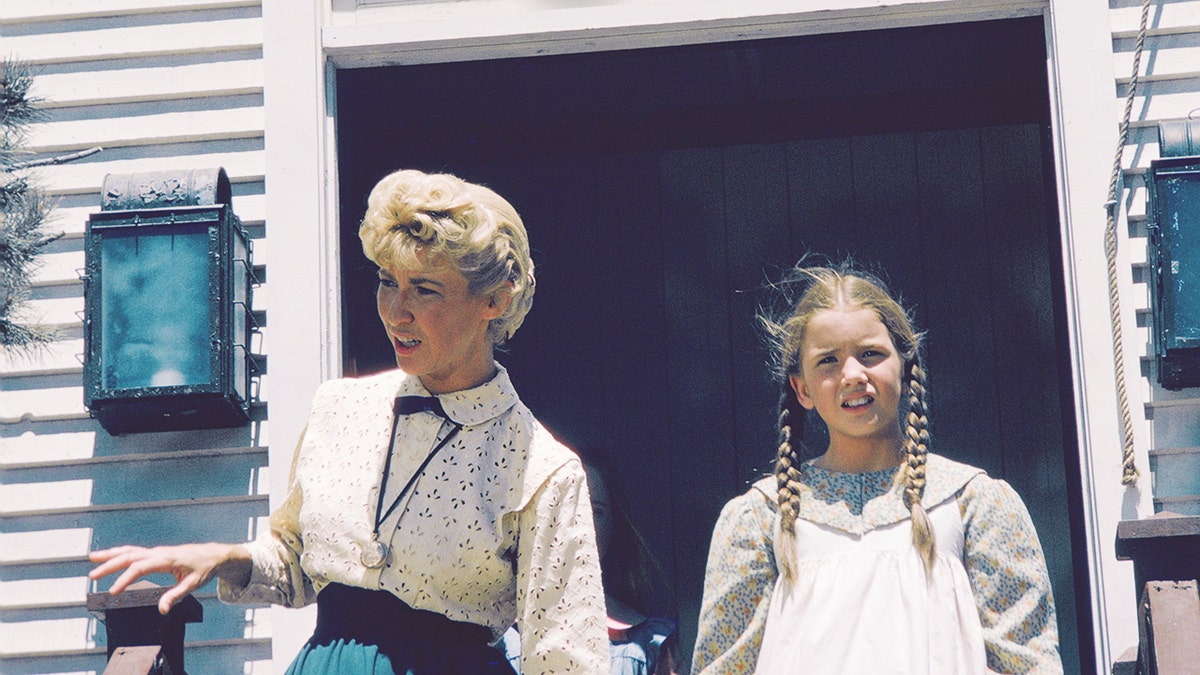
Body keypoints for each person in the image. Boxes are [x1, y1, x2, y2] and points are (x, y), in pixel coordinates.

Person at [88, 169, 610, 674]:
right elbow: (294, 561)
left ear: (493, 301)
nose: (395, 311)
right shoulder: (339, 408)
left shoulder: (543, 470)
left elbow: (566, 661)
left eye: (424, 289)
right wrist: (231, 557)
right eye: (387, 282)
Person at [690, 262, 1062, 674]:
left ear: (904, 365)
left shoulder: (973, 503)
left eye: (871, 354)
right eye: (828, 361)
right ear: (802, 389)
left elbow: (1027, 665)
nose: (853, 374)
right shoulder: (760, 518)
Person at [500, 451, 680, 675]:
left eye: (596, 511)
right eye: (564, 508)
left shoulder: (648, 644)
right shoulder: (502, 642)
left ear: (614, 524)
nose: (582, 526)